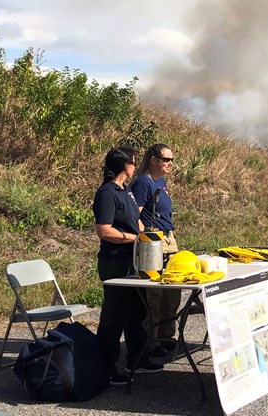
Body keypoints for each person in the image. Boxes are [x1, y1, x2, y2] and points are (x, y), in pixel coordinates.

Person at [93, 146, 163, 385]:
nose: (136, 167)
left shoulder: (126, 192)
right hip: (115, 262)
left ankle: (138, 359)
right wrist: (134, 239)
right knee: (115, 316)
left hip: (134, 260)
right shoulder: (107, 193)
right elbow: (104, 230)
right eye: (134, 163)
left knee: (137, 310)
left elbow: (136, 222)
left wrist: (148, 236)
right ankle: (106, 366)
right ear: (125, 166)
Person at [131, 143, 180, 357]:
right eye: (166, 160)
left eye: (171, 160)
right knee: (154, 294)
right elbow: (136, 215)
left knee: (172, 291)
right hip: (154, 240)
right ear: (153, 159)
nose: (170, 164)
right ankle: (151, 341)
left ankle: (166, 336)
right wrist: (145, 241)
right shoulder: (143, 182)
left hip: (170, 239)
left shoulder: (161, 180)